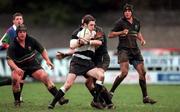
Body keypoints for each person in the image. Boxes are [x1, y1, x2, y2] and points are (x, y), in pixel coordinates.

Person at [48, 14, 110, 109]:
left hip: (89, 63)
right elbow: (72, 45)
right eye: (91, 25)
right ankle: (52, 104)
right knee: (68, 85)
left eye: (94, 24)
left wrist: (88, 41)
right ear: (85, 24)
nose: (94, 27)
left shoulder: (96, 32)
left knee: (100, 76)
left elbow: (100, 42)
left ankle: (96, 101)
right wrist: (79, 42)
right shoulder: (78, 33)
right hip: (77, 61)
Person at [6, 24, 68, 106]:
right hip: (19, 67)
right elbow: (9, 60)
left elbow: (42, 50)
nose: (22, 34)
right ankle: (17, 101)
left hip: (32, 65)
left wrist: (47, 60)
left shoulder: (31, 40)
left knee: (45, 76)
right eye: (20, 32)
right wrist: (16, 68)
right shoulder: (13, 45)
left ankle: (59, 98)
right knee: (15, 79)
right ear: (17, 33)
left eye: (24, 32)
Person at [108, 4, 157, 104]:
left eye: (129, 11)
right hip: (123, 50)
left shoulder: (136, 22)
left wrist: (142, 40)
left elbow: (137, 32)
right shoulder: (120, 22)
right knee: (124, 73)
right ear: (123, 12)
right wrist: (121, 32)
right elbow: (110, 35)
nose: (127, 12)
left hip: (135, 50)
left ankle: (145, 98)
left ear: (131, 12)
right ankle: (110, 93)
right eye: (125, 11)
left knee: (142, 73)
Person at [0, 13, 24, 101]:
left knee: (19, 78)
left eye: (20, 19)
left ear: (23, 20)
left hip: (20, 58)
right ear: (13, 21)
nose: (19, 20)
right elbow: (3, 43)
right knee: (18, 77)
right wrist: (9, 47)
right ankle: (18, 98)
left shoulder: (22, 30)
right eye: (17, 19)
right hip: (12, 58)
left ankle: (19, 96)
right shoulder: (11, 31)